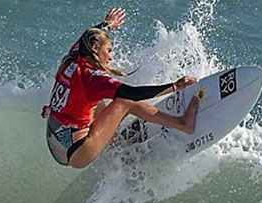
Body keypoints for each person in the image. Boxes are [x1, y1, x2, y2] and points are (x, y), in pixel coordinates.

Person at [42, 7, 199, 168]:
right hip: (78, 151)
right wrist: (175, 86)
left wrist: (107, 24)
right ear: (95, 48)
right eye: (108, 50)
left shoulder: (71, 58)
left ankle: (116, 146)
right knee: (125, 102)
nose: (110, 57)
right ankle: (183, 124)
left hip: (56, 141)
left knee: (96, 102)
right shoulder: (91, 79)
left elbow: (85, 37)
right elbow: (131, 93)